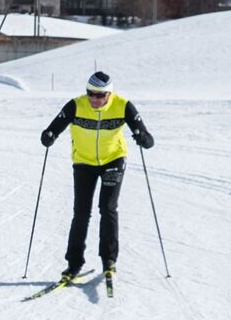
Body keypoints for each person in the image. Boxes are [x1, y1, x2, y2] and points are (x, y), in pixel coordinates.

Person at [41, 71, 155, 286]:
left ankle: (108, 259)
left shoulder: (123, 106)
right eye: (91, 94)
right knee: (81, 212)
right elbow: (52, 129)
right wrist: (48, 137)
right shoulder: (75, 105)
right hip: (84, 162)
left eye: (100, 95)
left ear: (109, 94)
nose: (94, 99)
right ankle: (74, 263)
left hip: (113, 160)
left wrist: (143, 138)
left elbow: (149, 140)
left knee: (108, 208)